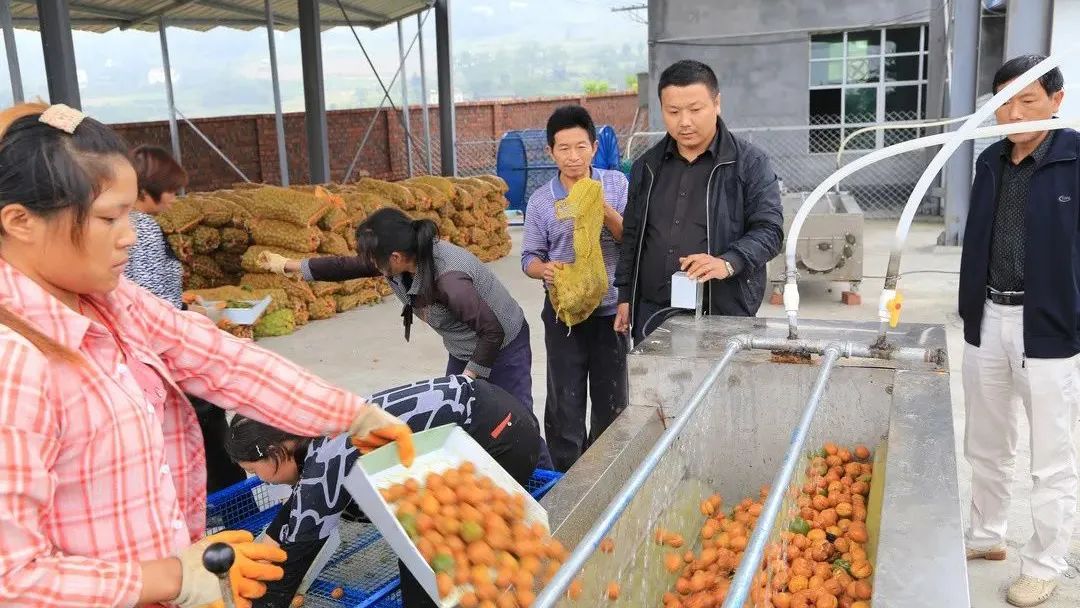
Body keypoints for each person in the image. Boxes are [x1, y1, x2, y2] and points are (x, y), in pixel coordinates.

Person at [0, 102, 411, 607]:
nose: (130, 236)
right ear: (21, 221)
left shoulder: (111, 302)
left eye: (129, 213)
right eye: (109, 217)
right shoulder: (14, 362)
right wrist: (172, 578)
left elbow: (221, 360)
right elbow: (11, 578)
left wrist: (352, 415)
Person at [257, 207, 552, 468]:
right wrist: (290, 265)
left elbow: (492, 331)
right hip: (463, 345)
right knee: (457, 414)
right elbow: (347, 266)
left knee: (517, 422)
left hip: (504, 344)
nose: (370, 264)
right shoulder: (401, 258)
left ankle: (551, 483)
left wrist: (469, 376)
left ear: (395, 257)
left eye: (374, 259)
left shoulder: (449, 279)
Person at [225, 375, 541, 608]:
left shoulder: (325, 463)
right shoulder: (318, 427)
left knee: (429, 557)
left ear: (274, 452)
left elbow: (295, 556)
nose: (257, 478)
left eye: (253, 469)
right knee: (425, 547)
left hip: (499, 438)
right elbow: (293, 515)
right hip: (492, 409)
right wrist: (254, 558)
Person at [958, 55, 1080, 608]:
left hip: (1048, 328)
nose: (1014, 113)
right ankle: (987, 535)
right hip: (988, 316)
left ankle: (1044, 565)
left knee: (1051, 457)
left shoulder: (1074, 160)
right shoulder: (990, 161)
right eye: (1004, 102)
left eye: (1027, 101)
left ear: (1056, 101)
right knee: (986, 443)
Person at [613, 59, 783, 344]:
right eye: (673, 111)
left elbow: (770, 231)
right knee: (653, 374)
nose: (684, 122)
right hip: (653, 312)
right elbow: (632, 236)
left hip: (722, 312)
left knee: (716, 375)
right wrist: (625, 296)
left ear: (717, 104)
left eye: (695, 109)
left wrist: (728, 262)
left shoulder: (750, 163)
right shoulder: (647, 166)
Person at [123, 144, 246, 494]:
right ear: (146, 189)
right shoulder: (143, 229)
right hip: (166, 351)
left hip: (152, 346)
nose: (175, 199)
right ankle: (228, 505)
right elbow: (150, 299)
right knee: (207, 428)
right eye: (170, 190)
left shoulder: (120, 226)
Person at [521, 105, 628, 471]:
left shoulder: (615, 184)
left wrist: (602, 208)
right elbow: (529, 258)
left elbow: (630, 239)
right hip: (563, 314)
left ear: (594, 148)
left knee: (611, 400)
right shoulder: (540, 200)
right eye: (564, 148)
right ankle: (566, 477)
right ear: (551, 152)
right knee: (565, 401)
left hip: (611, 312)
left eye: (581, 147)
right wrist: (545, 269)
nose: (573, 156)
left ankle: (607, 474)